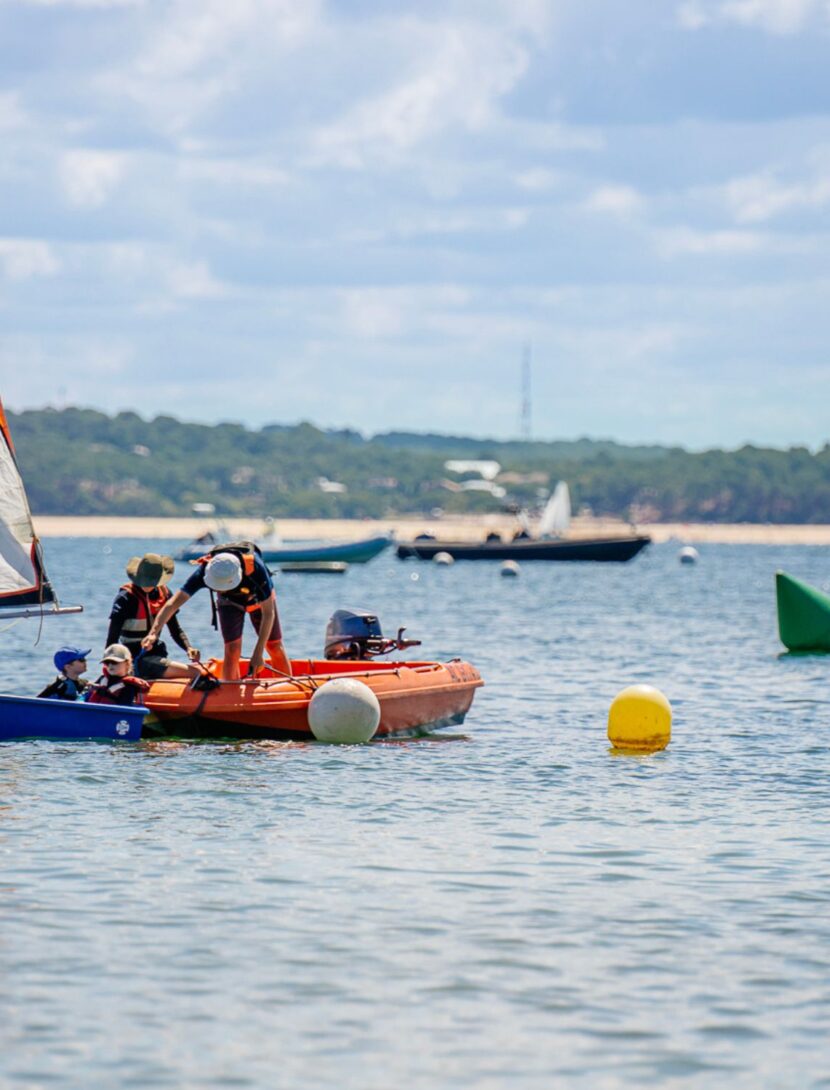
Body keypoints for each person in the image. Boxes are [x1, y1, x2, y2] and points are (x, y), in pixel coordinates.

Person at [142, 542, 291, 681]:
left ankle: (287, 687)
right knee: (232, 650)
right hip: (229, 602)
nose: (218, 588)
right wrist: (153, 633)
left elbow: (268, 613)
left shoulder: (256, 568)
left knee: (274, 646)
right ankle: (232, 693)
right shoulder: (206, 569)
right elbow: (172, 604)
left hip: (257, 600)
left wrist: (258, 653)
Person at [107, 553, 202, 682]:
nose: (146, 584)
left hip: (156, 654)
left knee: (199, 672)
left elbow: (175, 629)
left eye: (150, 581)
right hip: (135, 659)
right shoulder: (125, 598)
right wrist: (110, 667)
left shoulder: (165, 595)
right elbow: (112, 637)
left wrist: (188, 648)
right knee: (196, 673)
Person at [86, 644, 150, 706]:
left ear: (127, 663)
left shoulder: (128, 685)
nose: (110, 665)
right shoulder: (102, 679)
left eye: (114, 662)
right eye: (107, 662)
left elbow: (124, 708)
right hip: (93, 713)